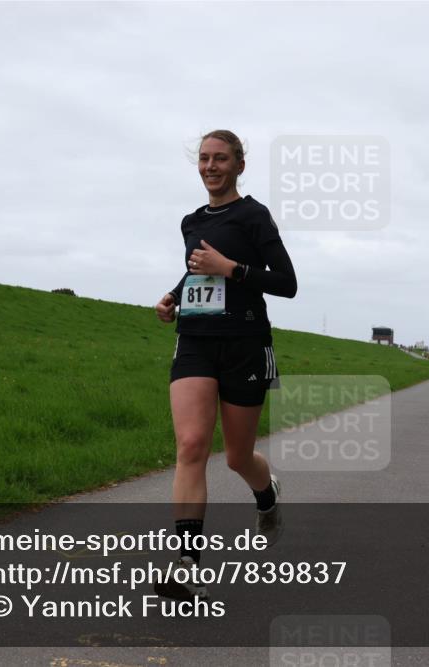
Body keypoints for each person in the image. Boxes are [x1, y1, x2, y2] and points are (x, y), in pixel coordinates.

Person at [153, 130, 297, 601]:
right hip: (195, 340)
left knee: (237, 456)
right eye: (204, 158)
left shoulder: (254, 216)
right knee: (191, 444)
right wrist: (175, 296)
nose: (210, 166)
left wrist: (230, 267)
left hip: (245, 344)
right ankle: (187, 562)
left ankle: (266, 492)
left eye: (220, 158)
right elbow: (199, 267)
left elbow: (287, 282)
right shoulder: (190, 220)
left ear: (239, 165)